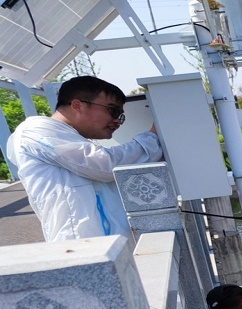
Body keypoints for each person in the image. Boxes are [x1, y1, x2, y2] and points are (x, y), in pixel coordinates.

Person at [6, 75, 163, 243]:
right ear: (77, 105)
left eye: (121, 116)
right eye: (113, 111)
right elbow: (105, 164)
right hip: (81, 249)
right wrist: (153, 136)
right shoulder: (36, 130)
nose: (117, 121)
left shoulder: (71, 138)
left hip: (105, 247)